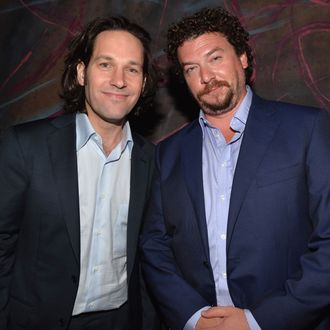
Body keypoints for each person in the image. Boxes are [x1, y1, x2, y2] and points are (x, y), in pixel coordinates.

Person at [140, 6, 330, 330]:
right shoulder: (167, 155)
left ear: (242, 57)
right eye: (191, 68)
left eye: (215, 58)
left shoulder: (307, 130)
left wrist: (258, 321)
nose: (205, 77)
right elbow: (154, 246)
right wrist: (193, 318)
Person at [0, 16, 160, 330]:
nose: (119, 80)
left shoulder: (152, 160)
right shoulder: (25, 146)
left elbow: (148, 255)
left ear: (143, 82)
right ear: (82, 72)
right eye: (105, 64)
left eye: (132, 68)